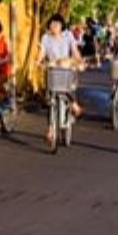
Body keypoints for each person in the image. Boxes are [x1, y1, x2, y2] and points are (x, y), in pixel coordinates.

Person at [37, 12, 83, 143]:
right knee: (50, 100)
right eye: (52, 24)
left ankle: (73, 104)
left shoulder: (68, 35)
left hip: (66, 67)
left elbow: (74, 51)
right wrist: (38, 62)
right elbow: (42, 52)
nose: (55, 26)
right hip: (52, 69)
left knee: (69, 87)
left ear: (62, 25)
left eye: (57, 24)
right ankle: (51, 130)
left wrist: (78, 61)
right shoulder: (45, 37)